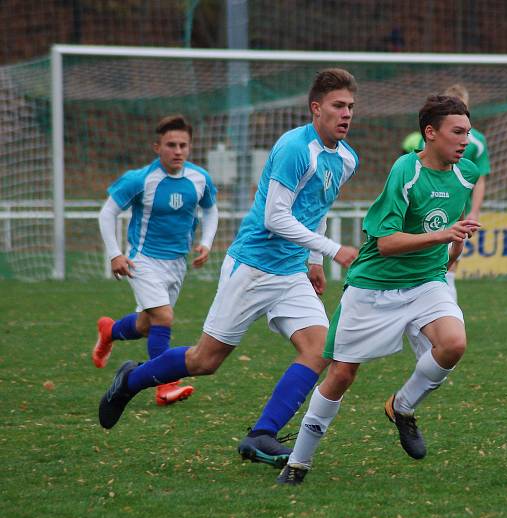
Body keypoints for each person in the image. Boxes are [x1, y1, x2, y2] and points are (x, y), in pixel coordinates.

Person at [97, 68, 360, 469]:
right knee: (206, 360)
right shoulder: (294, 148)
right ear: (316, 108)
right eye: (338, 106)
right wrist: (334, 249)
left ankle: (261, 434)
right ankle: (130, 381)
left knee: (319, 349)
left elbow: (316, 209)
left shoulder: (345, 159)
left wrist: (313, 260)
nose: (346, 114)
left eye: (351, 107)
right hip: (253, 267)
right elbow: (275, 217)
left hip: (291, 272)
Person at [276, 95, 482, 485]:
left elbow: (449, 230)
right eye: (457, 132)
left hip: (425, 282)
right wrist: (443, 234)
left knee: (453, 343)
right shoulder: (406, 170)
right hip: (374, 286)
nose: (465, 141)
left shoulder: (465, 173)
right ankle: (298, 462)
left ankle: (401, 407)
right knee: (342, 373)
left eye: (468, 133)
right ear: (430, 133)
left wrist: (453, 246)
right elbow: (385, 242)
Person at [92, 114, 218, 406]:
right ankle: (166, 385)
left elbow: (210, 210)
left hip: (177, 263)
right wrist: (115, 254)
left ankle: (108, 331)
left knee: (148, 325)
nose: (177, 151)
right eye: (171, 145)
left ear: (190, 147)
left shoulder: (199, 178)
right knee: (164, 318)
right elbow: (107, 213)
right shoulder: (140, 179)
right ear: (156, 147)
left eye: (183, 145)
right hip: (142, 260)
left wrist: (206, 242)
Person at [400, 84, 490, 301]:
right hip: (426, 212)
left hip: (455, 212)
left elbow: (479, 180)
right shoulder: (426, 141)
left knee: (449, 265)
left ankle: (446, 310)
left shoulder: (476, 142)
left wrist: (473, 211)